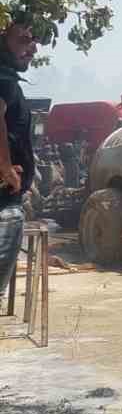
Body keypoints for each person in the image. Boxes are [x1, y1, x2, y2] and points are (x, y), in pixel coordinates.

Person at [0, 15, 40, 296]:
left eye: (34, 41)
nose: (33, 48)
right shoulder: (4, 80)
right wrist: (5, 168)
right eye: (24, 40)